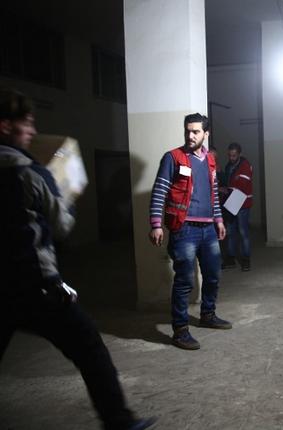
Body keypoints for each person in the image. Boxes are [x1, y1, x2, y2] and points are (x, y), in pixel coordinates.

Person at [0, 88, 155, 430]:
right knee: (90, 350)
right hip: (34, 284)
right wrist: (68, 193)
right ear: (5, 125)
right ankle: (119, 421)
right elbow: (62, 226)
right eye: (26, 124)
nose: (33, 132)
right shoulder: (31, 173)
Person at [149, 113, 232, 350]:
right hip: (184, 229)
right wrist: (156, 224)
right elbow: (159, 191)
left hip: (208, 229)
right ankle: (180, 330)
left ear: (206, 134)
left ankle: (208, 315)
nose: (190, 135)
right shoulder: (173, 158)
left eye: (196, 131)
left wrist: (219, 219)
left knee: (213, 275)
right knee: (184, 280)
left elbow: (213, 193)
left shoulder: (210, 160)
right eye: (188, 131)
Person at [219, 142, 253, 271]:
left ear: (240, 154)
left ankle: (246, 260)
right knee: (231, 232)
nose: (231, 158)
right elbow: (231, 183)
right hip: (231, 202)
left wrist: (226, 190)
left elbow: (242, 185)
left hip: (242, 203)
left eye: (234, 155)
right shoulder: (229, 166)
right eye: (229, 155)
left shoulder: (245, 165)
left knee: (243, 232)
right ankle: (231, 260)